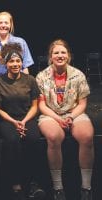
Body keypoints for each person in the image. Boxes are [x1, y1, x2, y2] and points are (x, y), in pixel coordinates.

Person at [36, 39, 94, 200]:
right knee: (54, 137)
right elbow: (42, 105)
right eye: (56, 53)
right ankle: (58, 188)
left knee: (87, 137)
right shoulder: (41, 76)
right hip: (50, 114)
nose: (60, 55)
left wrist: (70, 116)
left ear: (68, 55)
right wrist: (57, 118)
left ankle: (86, 187)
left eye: (63, 52)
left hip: (73, 112)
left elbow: (82, 103)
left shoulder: (78, 75)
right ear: (50, 56)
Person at [0, 43, 45, 200]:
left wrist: (23, 121)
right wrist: (14, 122)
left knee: (33, 139)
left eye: (18, 61)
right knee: (12, 141)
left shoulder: (30, 80)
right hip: (7, 120)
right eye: (12, 62)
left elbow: (35, 106)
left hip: (27, 117)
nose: (15, 64)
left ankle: (32, 183)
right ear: (6, 63)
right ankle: (14, 183)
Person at [0, 11, 34, 77]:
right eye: (0, 23)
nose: (3, 25)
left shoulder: (20, 42)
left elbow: (25, 67)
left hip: (16, 85)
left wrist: (26, 85)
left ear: (10, 25)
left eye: (6, 23)